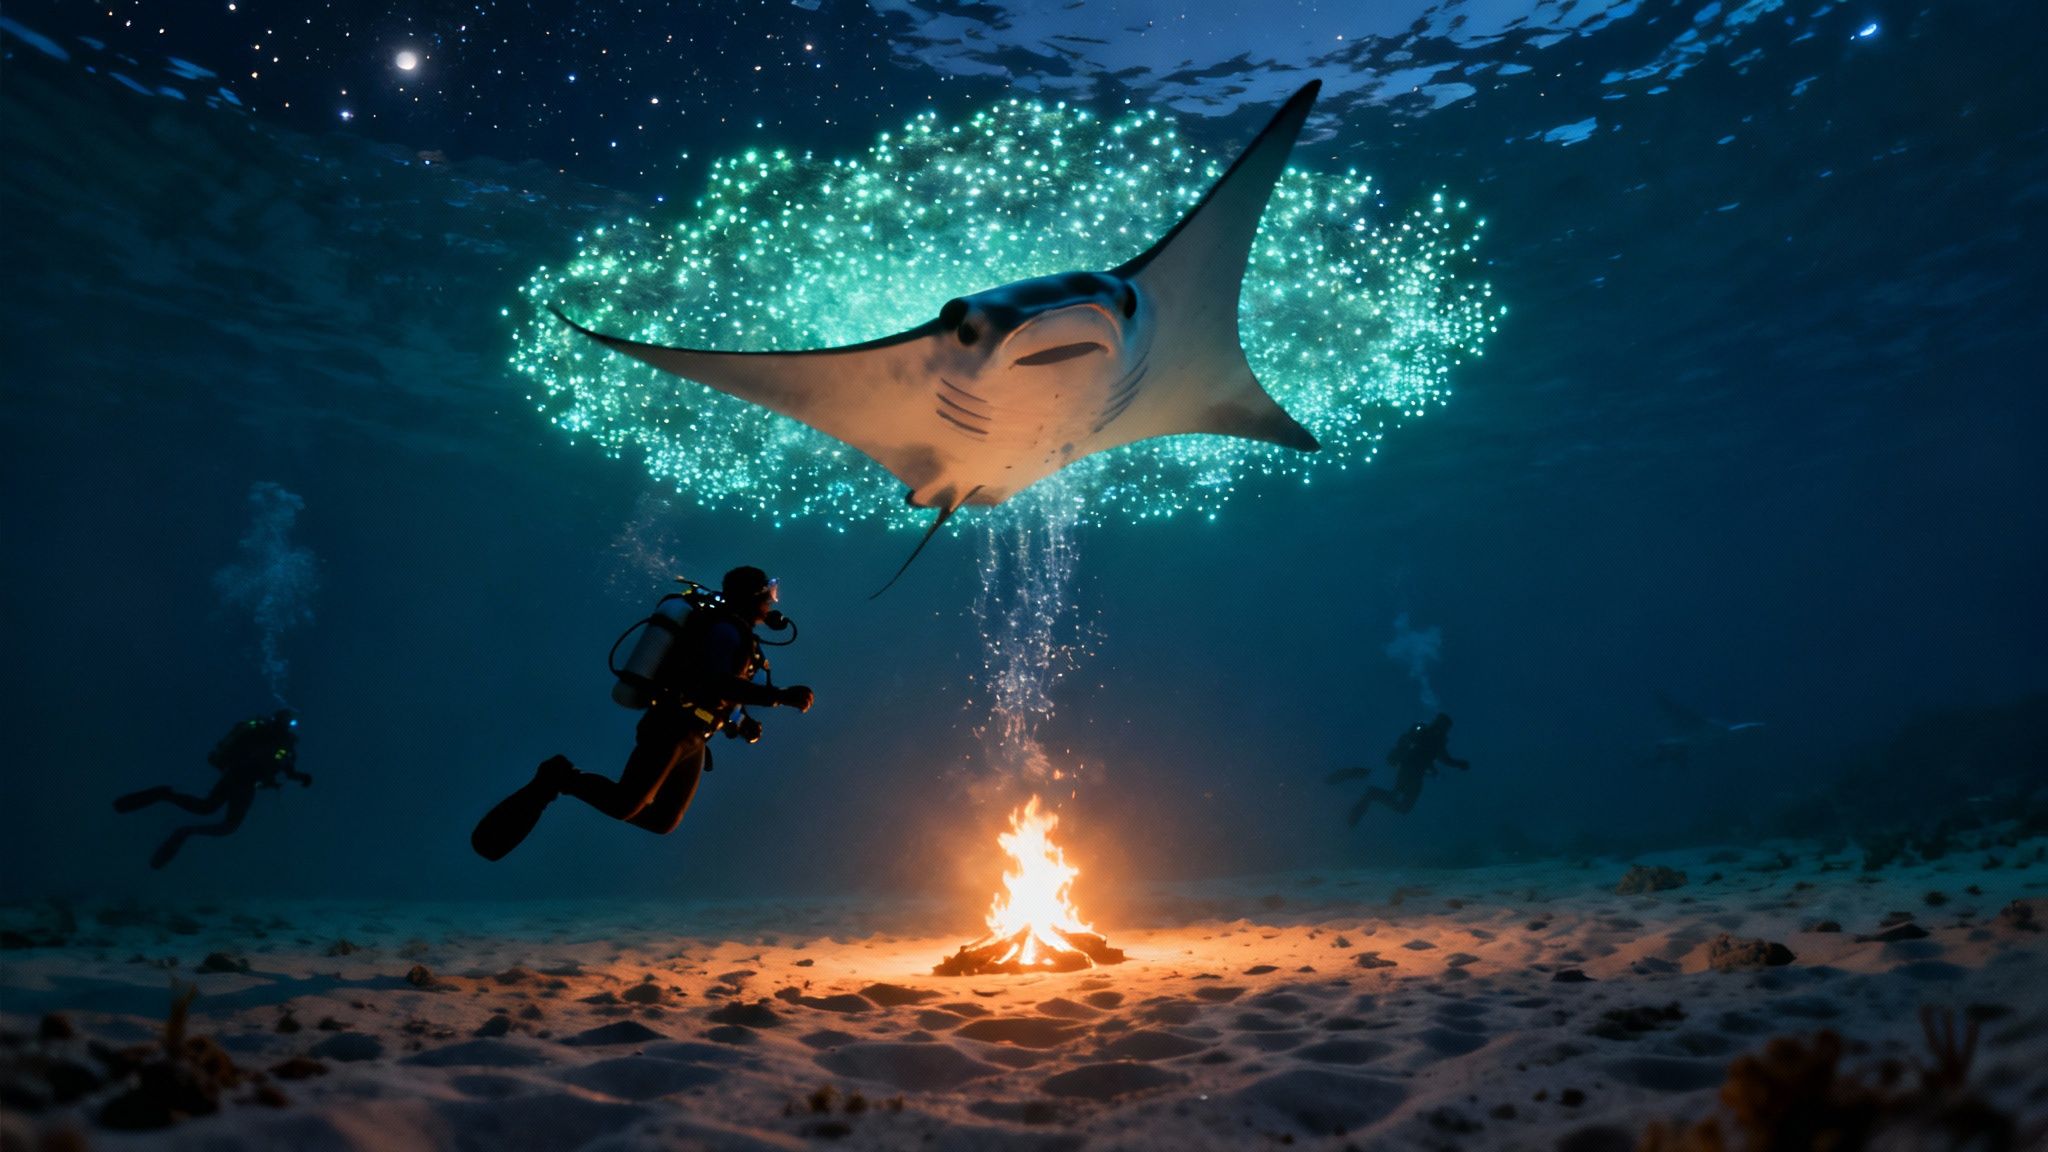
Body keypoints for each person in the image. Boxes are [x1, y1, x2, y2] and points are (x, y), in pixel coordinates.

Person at [471, 566, 814, 861]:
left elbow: (718, 692)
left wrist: (739, 723)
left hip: (696, 736)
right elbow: (715, 682)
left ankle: (564, 780)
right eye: (768, 593)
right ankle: (560, 778)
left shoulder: (737, 634)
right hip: (673, 727)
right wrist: (779, 696)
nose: (772, 602)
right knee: (624, 805)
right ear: (752, 596)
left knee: (664, 820)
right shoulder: (724, 630)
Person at [113, 709, 308, 868]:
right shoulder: (281, 742)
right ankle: (185, 831)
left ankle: (165, 795)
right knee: (228, 826)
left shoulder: (264, 735)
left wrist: (298, 776)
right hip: (245, 783)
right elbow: (277, 767)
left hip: (232, 776)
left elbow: (284, 768)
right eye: (291, 723)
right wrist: (290, 778)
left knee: (205, 807)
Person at [1329, 713, 1469, 825]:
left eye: (1445, 727)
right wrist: (1457, 764)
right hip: (1410, 771)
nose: (1443, 729)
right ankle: (1368, 794)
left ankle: (1367, 794)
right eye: (1444, 726)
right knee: (1402, 804)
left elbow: (1442, 758)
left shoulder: (1433, 738)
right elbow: (1442, 758)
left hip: (1409, 770)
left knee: (1399, 801)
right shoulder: (1429, 736)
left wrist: (1457, 763)